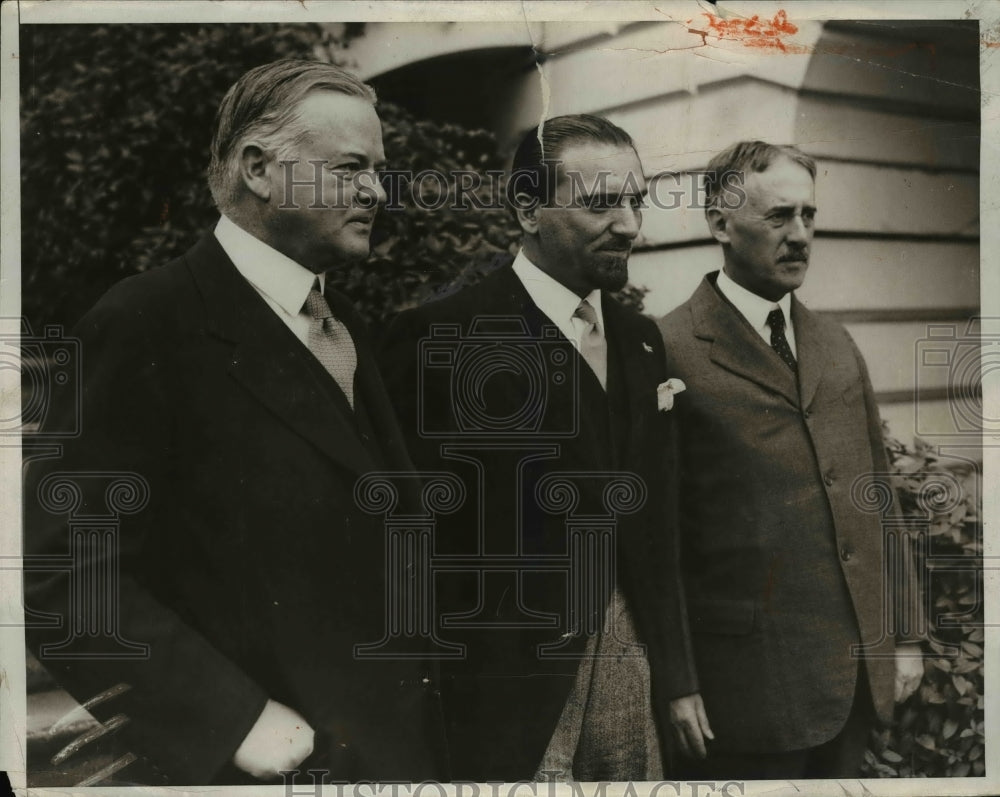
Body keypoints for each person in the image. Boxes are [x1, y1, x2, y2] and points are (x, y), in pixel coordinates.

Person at [24, 60, 444, 785]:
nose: (378, 189)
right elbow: (66, 576)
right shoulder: (145, 322)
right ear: (258, 169)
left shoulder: (345, 332)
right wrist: (236, 721)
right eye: (351, 168)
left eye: (379, 168)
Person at [380, 115, 695, 780]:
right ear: (528, 209)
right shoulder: (442, 337)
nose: (632, 226)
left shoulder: (642, 342)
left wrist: (675, 674)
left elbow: (656, 527)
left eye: (635, 201)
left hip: (630, 673)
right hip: (503, 698)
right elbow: (407, 540)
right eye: (603, 203)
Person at [656, 140, 924, 779]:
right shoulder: (667, 349)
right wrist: (676, 680)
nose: (800, 235)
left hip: (856, 673)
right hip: (743, 690)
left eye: (809, 216)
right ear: (720, 223)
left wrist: (907, 636)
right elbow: (655, 536)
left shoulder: (834, 342)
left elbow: (875, 493)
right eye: (779, 217)